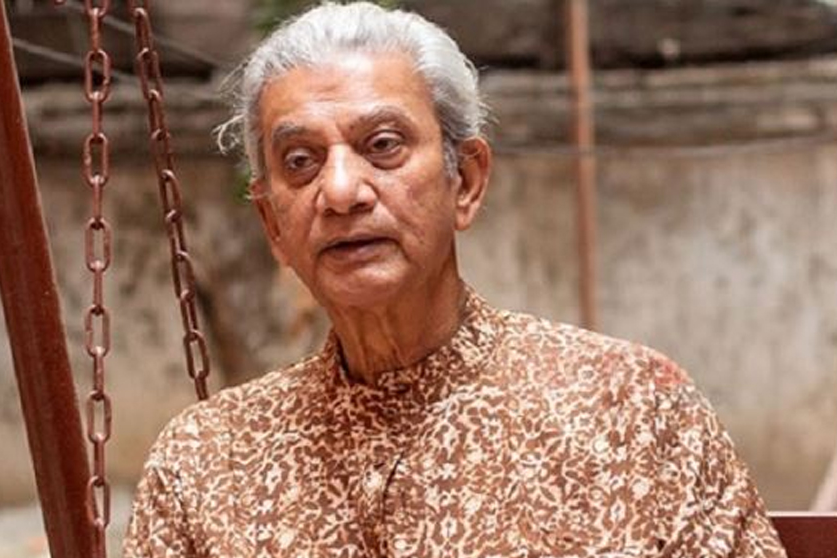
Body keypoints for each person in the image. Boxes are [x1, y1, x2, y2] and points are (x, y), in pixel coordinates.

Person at [123, 2, 786, 556]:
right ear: (272, 223)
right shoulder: (206, 464)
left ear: (464, 181)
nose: (342, 190)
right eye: (300, 161)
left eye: (383, 145)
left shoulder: (632, 412)